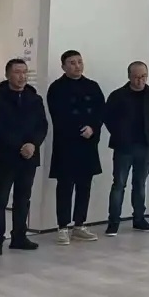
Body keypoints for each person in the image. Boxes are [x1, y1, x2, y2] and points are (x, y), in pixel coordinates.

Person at [0, 58, 49, 256]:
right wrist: (19, 146)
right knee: (0, 199)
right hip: (5, 157)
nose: (22, 77)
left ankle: (19, 236)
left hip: (29, 157)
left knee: (23, 199)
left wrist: (32, 144)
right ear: (7, 75)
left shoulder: (34, 98)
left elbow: (42, 125)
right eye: (17, 72)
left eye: (24, 72)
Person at [46, 50, 105, 244]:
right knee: (65, 186)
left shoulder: (92, 86)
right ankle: (63, 227)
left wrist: (92, 128)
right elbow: (58, 115)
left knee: (84, 186)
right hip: (66, 144)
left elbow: (100, 111)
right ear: (63, 66)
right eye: (72, 63)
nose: (77, 66)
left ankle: (79, 225)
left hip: (88, 144)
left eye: (80, 62)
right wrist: (80, 128)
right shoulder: (56, 88)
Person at [103, 61, 149, 235]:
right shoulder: (118, 96)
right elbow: (108, 117)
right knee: (119, 184)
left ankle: (139, 219)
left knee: (140, 184)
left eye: (144, 76)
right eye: (136, 77)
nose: (140, 80)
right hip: (123, 146)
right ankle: (113, 222)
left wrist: (148, 130)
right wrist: (120, 134)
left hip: (145, 145)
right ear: (129, 76)